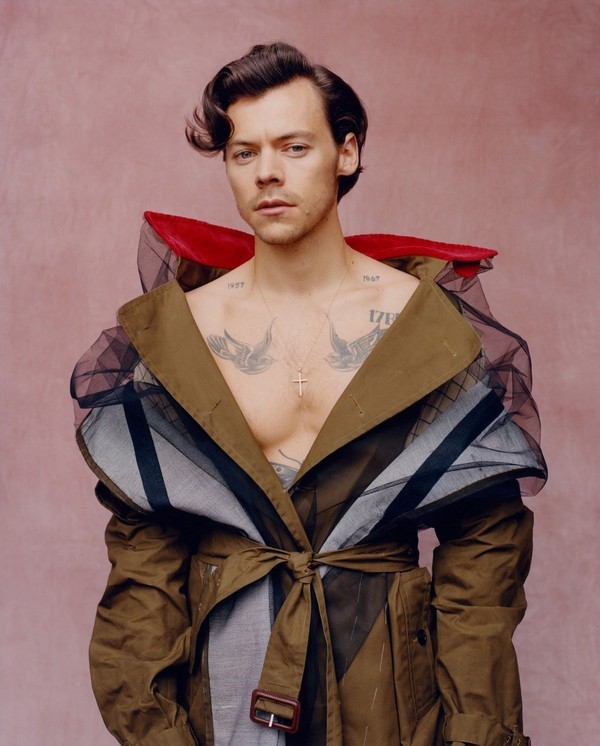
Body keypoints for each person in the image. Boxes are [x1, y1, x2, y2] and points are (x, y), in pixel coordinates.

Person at [71, 42, 546, 746]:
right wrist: (157, 735)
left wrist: (475, 732)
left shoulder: (421, 327)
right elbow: (144, 566)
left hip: (388, 689)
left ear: (345, 153)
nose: (267, 172)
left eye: (294, 147)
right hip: (226, 687)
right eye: (244, 153)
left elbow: (485, 553)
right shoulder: (182, 335)